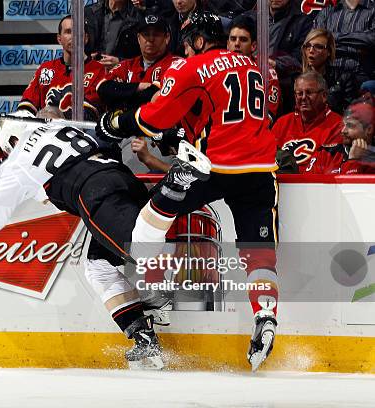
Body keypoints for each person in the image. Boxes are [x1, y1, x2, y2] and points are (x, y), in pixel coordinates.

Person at [0, 107, 210, 370]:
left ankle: (176, 181)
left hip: (92, 191)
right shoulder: (58, 127)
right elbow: (42, 182)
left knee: (141, 249)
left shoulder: (17, 162)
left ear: (9, 143)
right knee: (97, 265)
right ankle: (144, 340)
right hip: (120, 178)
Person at [97, 11, 279, 371]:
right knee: (258, 254)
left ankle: (150, 288)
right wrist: (180, 133)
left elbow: (153, 118)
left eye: (187, 39)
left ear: (197, 40)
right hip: (260, 170)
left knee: (152, 214)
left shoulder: (189, 67)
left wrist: (116, 122)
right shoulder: (249, 65)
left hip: (210, 167)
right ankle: (266, 317)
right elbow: (221, 114)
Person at [16, 15, 107, 121]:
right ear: (59, 39)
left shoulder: (99, 70)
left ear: (86, 38)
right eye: (68, 32)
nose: (73, 36)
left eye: (77, 32)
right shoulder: (46, 69)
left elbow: (89, 114)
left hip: (81, 133)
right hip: (45, 133)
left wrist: (56, 118)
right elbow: (26, 107)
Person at [97, 13, 180, 111]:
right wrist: (140, 86)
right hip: (123, 123)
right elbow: (102, 88)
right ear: (138, 38)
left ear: (167, 38)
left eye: (156, 34)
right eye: (146, 34)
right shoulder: (127, 65)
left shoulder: (176, 64)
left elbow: (153, 96)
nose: (150, 39)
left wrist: (122, 92)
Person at [272, 71, 343, 173]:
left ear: (324, 96)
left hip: (316, 185)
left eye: (309, 92)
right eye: (299, 93)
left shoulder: (338, 125)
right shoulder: (282, 123)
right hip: (282, 184)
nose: (304, 97)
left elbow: (331, 167)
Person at [313, 0, 375, 111]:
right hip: (329, 76)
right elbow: (315, 40)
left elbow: (371, 40)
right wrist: (356, 46)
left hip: (360, 77)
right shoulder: (328, 11)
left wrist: (333, 38)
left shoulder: (373, 10)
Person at [227, 14, 281, 122]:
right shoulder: (215, 68)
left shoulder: (266, 71)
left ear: (253, 46)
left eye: (243, 40)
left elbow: (269, 117)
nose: (237, 44)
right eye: (233, 39)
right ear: (227, 44)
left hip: (252, 133)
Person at [307, 100, 375, 174]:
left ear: (369, 129)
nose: (343, 131)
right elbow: (306, 184)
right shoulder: (325, 153)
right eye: (343, 125)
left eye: (350, 126)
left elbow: (349, 185)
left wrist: (353, 161)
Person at [84, 0, 142, 69]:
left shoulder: (138, 18)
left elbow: (144, 59)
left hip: (121, 75)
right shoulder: (89, 13)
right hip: (89, 74)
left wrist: (120, 63)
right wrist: (87, 58)